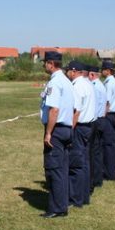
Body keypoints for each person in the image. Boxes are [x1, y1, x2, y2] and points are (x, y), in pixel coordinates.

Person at [39, 51, 74, 219]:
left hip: (57, 130)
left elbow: (54, 110)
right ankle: (62, 203)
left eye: (45, 62)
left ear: (51, 64)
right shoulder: (67, 81)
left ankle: (57, 208)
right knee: (63, 168)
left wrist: (48, 133)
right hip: (66, 129)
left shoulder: (55, 82)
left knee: (54, 169)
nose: (44, 65)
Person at [66, 61, 95, 208]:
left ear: (73, 71)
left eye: (68, 71)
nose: (67, 74)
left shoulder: (77, 86)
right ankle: (83, 195)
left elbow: (76, 111)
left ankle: (75, 198)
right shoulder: (88, 84)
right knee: (84, 162)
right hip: (88, 126)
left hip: (79, 127)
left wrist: (70, 130)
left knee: (76, 163)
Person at [100, 60, 115, 181]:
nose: (101, 71)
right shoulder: (114, 82)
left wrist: (103, 116)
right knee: (110, 144)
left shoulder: (109, 83)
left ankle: (109, 173)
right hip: (113, 115)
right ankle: (112, 171)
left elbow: (106, 102)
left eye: (103, 69)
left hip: (108, 115)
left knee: (107, 144)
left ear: (108, 71)